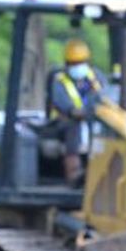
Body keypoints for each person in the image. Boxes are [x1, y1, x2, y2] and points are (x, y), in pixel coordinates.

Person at [49, 38, 106, 186]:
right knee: (72, 126)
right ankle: (73, 173)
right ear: (67, 64)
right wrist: (82, 113)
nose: (78, 67)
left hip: (92, 119)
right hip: (64, 122)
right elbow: (66, 108)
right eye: (74, 64)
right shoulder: (59, 80)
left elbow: (105, 98)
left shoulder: (96, 78)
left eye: (81, 63)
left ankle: (101, 172)